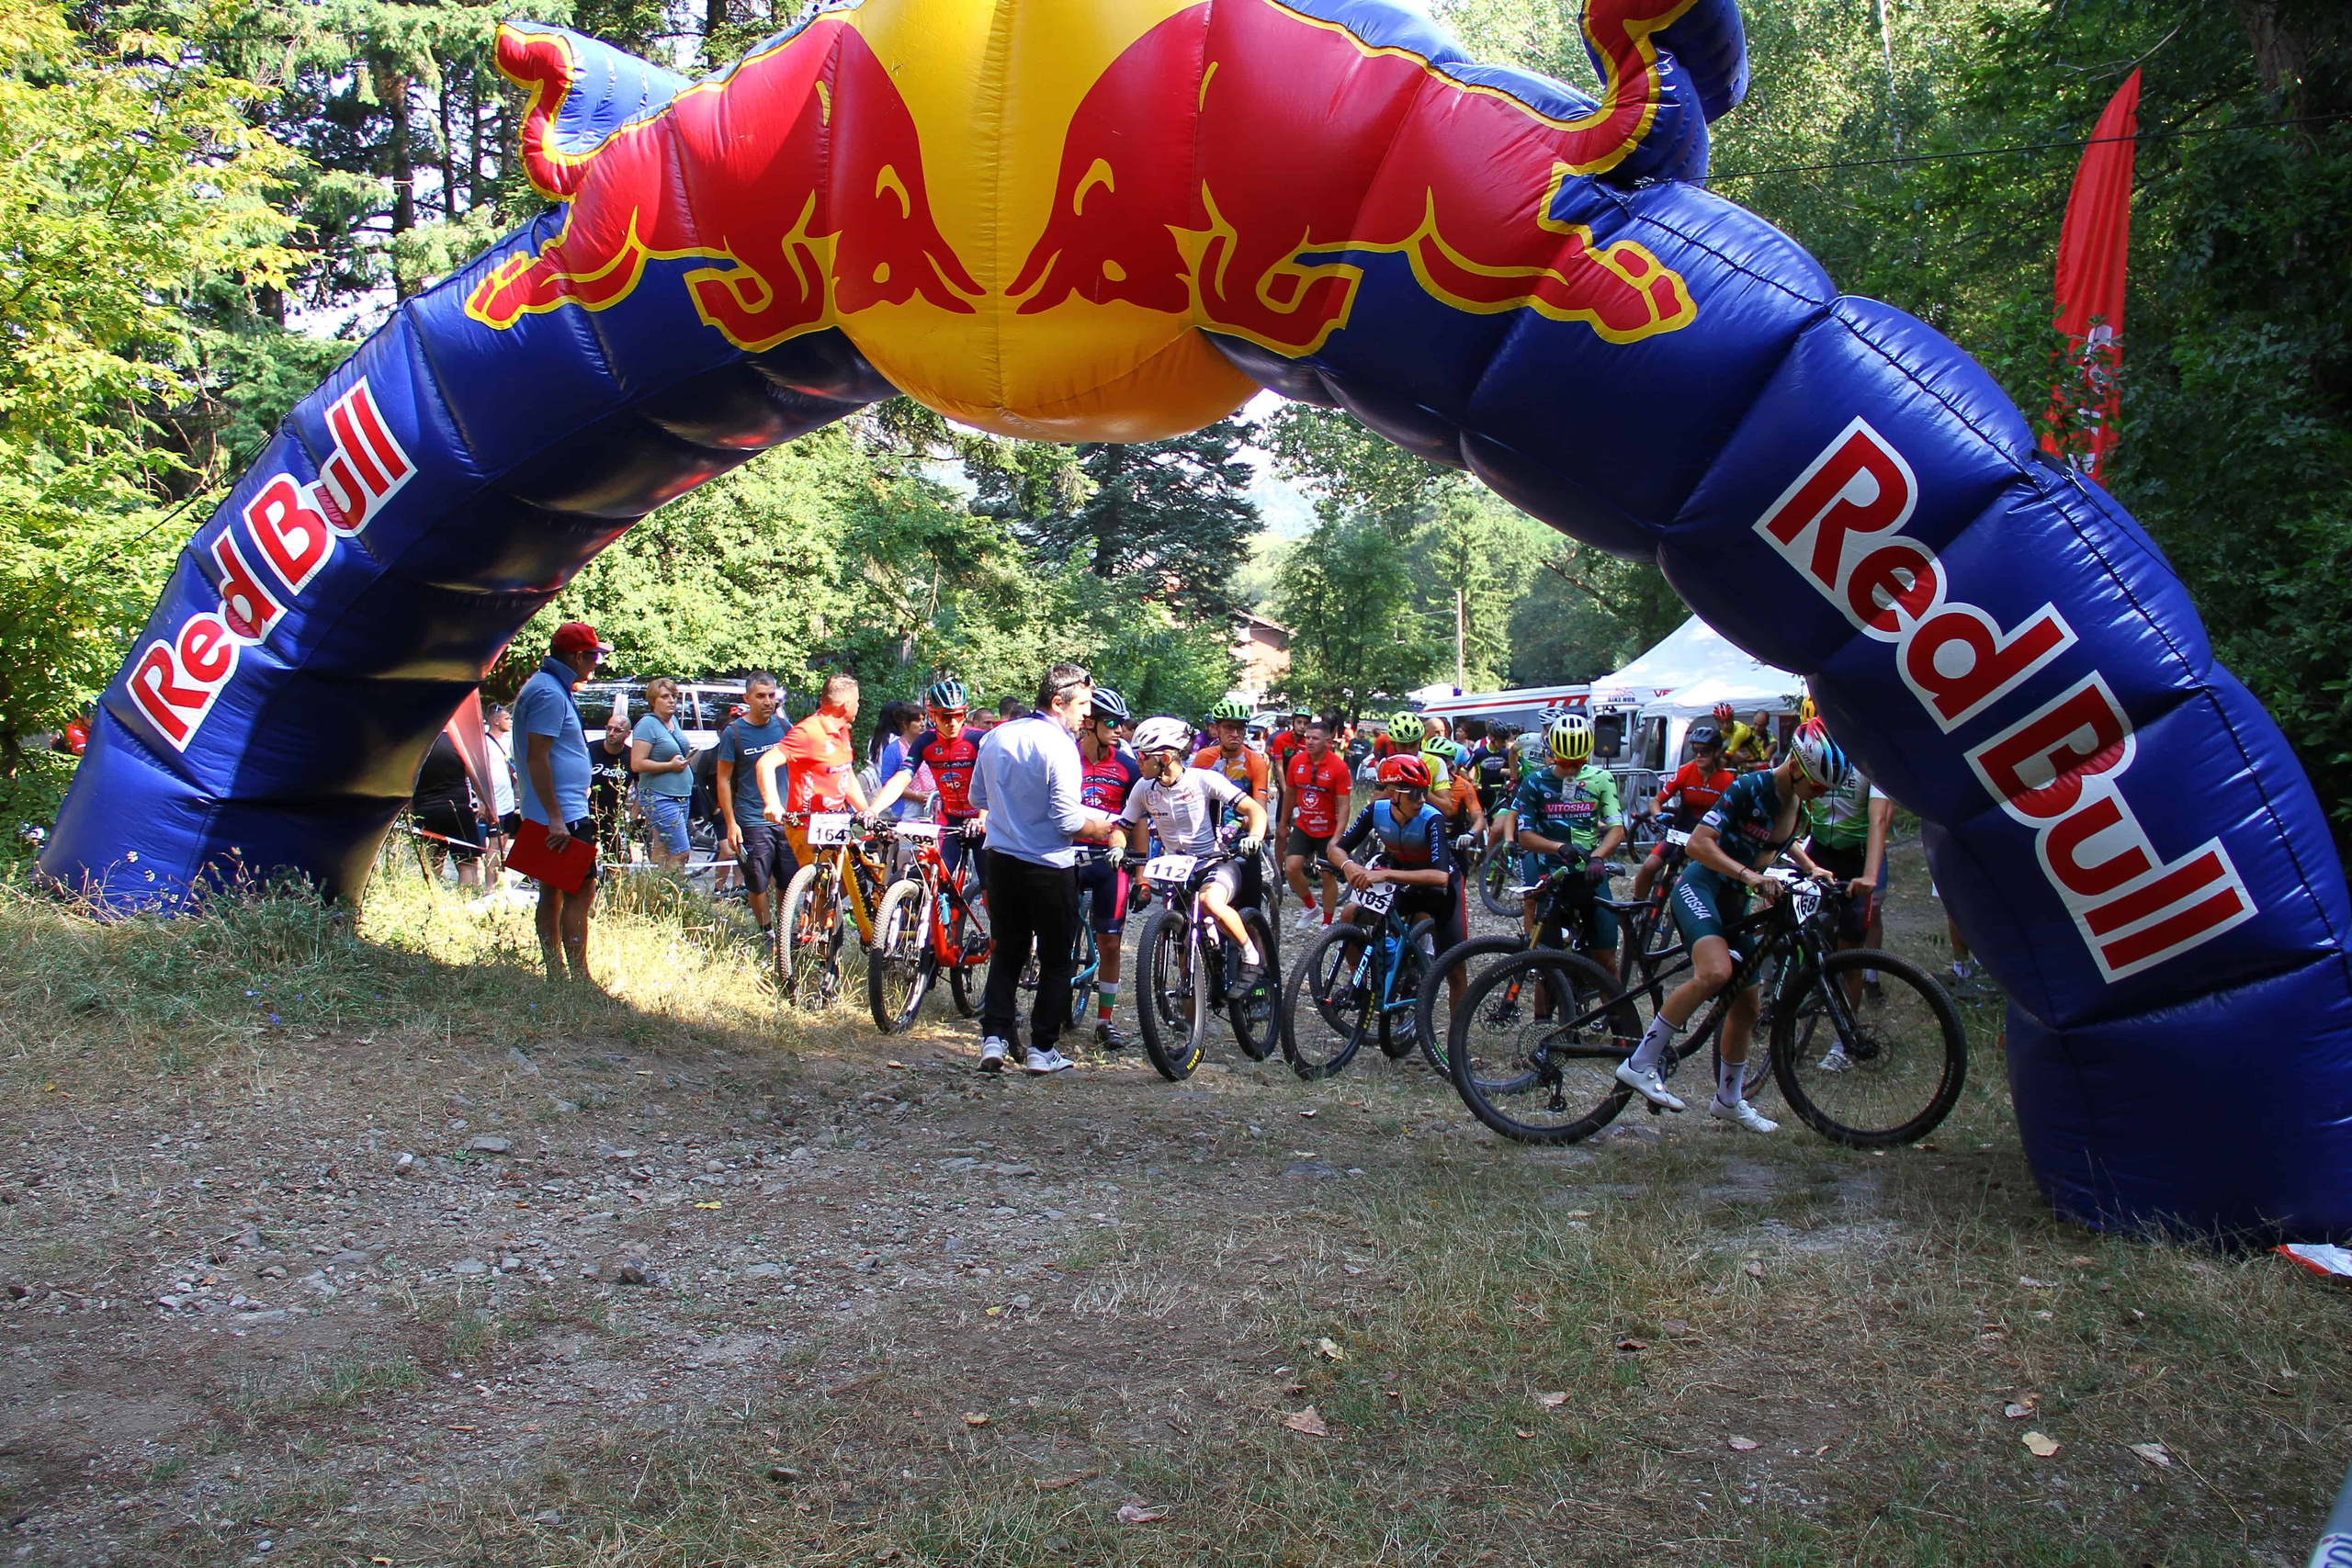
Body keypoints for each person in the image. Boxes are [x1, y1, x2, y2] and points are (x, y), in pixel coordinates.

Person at [1616, 718, 1850, 1133]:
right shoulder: (1750, 786)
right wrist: (1748, 875)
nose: (1821, 793)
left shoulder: (1796, 804)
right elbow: (1698, 843)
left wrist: (1811, 867)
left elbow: (1779, 842)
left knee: (1747, 1005)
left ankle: (1729, 1100)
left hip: (1735, 903)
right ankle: (1640, 1063)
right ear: (1796, 767)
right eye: (1817, 784)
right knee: (1715, 972)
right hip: (1701, 887)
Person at [969, 663, 1125, 1075]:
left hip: (1001, 860)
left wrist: (1013, 813)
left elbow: (977, 797)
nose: (1087, 715)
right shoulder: (1061, 746)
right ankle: (1042, 1048)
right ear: (1058, 703)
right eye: (1083, 705)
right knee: (1057, 958)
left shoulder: (996, 735)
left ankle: (993, 1039)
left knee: (1008, 951)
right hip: (1048, 864)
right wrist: (1101, 828)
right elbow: (1066, 820)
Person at [1121, 715, 1272, 987]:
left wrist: (1254, 836)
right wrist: (1117, 848)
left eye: (1142, 755)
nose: (1137, 761)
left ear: (1165, 757)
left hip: (1214, 863)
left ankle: (1252, 957)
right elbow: (1123, 827)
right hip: (1178, 870)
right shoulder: (1143, 788)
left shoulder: (1204, 779)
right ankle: (1191, 1006)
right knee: (1183, 957)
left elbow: (1255, 810)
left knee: (1210, 902)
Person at [1330, 754, 1468, 1007]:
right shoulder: (1376, 811)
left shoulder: (1432, 817)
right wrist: (1349, 866)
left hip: (1441, 889)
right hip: (1404, 880)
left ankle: (1455, 1031)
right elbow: (1337, 849)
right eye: (1415, 794)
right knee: (1350, 914)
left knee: (1456, 969)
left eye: (1424, 791)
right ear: (1393, 793)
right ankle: (1360, 984)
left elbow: (1440, 876)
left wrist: (1385, 874)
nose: (1422, 799)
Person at [514, 621, 607, 986]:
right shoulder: (549, 693)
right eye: (594, 656)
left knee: (551, 890)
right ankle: (578, 979)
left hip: (553, 810)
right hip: (562, 815)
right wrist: (556, 818)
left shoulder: (545, 686)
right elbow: (538, 757)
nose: (597, 663)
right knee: (580, 891)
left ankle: (557, 975)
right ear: (577, 656)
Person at [1505, 713, 1625, 979]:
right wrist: (1559, 848)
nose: (1572, 769)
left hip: (1589, 875)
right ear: (1552, 753)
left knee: (1606, 960)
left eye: (1579, 763)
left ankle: (1614, 1007)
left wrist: (1598, 856)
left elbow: (1617, 829)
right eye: (1565, 762)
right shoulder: (1535, 782)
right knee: (1547, 967)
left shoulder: (1602, 778)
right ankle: (1548, 1006)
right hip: (1552, 875)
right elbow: (1526, 837)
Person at [1799, 745, 1894, 1051]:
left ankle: (1844, 1042)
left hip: (1856, 858)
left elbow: (1879, 819)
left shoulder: (1870, 754)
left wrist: (1870, 876)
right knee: (1792, 934)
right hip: (1817, 852)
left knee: (1849, 954)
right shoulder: (1813, 747)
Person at [871, 677, 987, 896]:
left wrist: (982, 817)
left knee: (990, 890)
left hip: (982, 820)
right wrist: (872, 810)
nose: (952, 722)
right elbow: (902, 778)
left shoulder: (978, 740)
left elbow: (994, 783)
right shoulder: (925, 742)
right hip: (950, 818)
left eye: (958, 715)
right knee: (935, 881)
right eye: (945, 716)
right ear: (933, 715)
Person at [1073, 685, 1140, 1050]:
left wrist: (1142, 875)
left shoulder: (1127, 766)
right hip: (1068, 856)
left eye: (1121, 723)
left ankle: (1104, 1020)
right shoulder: (1066, 758)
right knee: (1053, 934)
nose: (1119, 730)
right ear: (1089, 723)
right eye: (1111, 723)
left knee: (1110, 943)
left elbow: (1139, 818)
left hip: (1110, 860)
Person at [757, 673, 875, 870]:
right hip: (807, 826)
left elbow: (845, 774)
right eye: (857, 701)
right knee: (821, 883)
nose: (859, 705)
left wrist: (866, 812)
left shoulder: (842, 731)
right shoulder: (808, 732)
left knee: (853, 877)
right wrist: (772, 804)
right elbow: (765, 763)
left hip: (836, 822)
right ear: (846, 705)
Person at [1629, 722, 1735, 913]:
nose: (1699, 756)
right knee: (1649, 866)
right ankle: (1635, 909)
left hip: (1706, 838)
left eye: (1704, 751)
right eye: (1695, 751)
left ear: (1717, 752)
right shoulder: (1686, 772)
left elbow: (1732, 815)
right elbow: (1656, 801)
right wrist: (1658, 815)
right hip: (1680, 831)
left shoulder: (1727, 780)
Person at [715, 674, 788, 937]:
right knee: (757, 881)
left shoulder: (784, 727)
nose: (767, 702)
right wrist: (731, 823)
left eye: (771, 695)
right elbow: (723, 780)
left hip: (785, 818)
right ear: (747, 698)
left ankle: (784, 932)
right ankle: (766, 932)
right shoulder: (734, 733)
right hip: (751, 819)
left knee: (787, 880)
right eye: (760, 696)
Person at [1279, 719, 1353, 931]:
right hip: (1304, 825)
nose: (1310, 742)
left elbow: (1344, 806)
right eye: (1307, 738)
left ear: (1327, 741)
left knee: (1327, 875)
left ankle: (1327, 923)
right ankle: (1311, 906)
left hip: (1329, 829)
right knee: (1291, 867)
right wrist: (1283, 823)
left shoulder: (1339, 767)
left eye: (1315, 739)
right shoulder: (1296, 761)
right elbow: (1290, 794)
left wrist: (1337, 838)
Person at [630, 678, 696, 871]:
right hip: (659, 796)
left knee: (663, 848)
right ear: (653, 701)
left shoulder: (672, 721)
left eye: (673, 696)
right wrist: (670, 766)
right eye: (665, 697)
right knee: (681, 852)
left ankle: (656, 888)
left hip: (681, 795)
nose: (671, 701)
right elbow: (637, 763)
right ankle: (674, 888)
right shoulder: (647, 725)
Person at [410, 728, 487, 887]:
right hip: (457, 810)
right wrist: (485, 803)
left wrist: (411, 810)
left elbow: (406, 783)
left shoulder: (416, 743)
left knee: (429, 865)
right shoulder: (458, 741)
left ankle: (431, 899)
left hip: (424, 810)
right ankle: (466, 900)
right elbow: (475, 777)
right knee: (468, 865)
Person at [587, 710, 635, 862]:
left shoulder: (631, 757)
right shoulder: (590, 751)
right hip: (587, 813)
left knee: (617, 862)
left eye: (618, 730)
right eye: (609, 728)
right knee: (581, 860)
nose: (611, 733)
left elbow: (643, 789)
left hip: (614, 816)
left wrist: (632, 819)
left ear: (628, 734)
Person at [483, 703, 519, 846]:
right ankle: (491, 864)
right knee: (495, 842)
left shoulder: (506, 741)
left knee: (504, 838)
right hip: (494, 802)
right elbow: (480, 773)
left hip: (507, 801)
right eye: (506, 719)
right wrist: (483, 802)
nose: (510, 721)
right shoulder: (485, 743)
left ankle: (498, 863)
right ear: (496, 721)